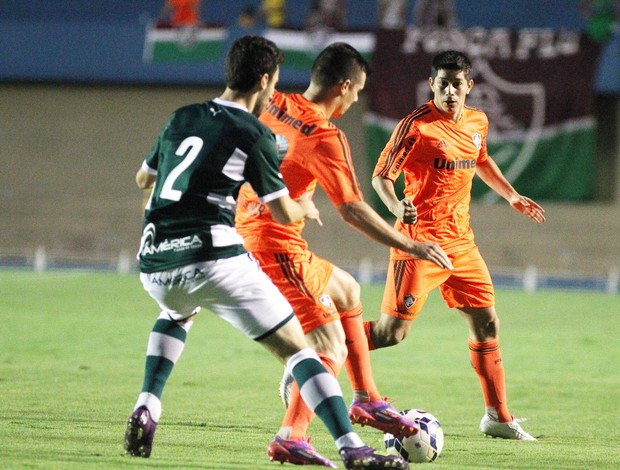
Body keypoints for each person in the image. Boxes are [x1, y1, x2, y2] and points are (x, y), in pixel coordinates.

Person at [123, 35, 409, 470]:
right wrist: (307, 206)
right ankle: (343, 446)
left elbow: (145, 179)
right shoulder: (258, 131)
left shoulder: (184, 116)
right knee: (305, 351)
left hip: (155, 259)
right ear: (263, 80)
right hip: (227, 255)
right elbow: (288, 208)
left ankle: (147, 404)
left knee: (179, 313)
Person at [235, 42, 453, 465]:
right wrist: (411, 243)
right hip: (275, 247)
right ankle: (291, 435)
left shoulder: (273, 102)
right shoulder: (324, 135)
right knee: (329, 344)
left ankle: (366, 398)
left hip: (250, 232)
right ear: (345, 86)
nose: (355, 101)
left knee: (349, 292)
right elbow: (352, 209)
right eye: (357, 93)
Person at [366, 50, 545, 441]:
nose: (449, 91)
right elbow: (382, 178)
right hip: (418, 244)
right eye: (442, 83)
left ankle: (497, 417)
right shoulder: (415, 127)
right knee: (389, 334)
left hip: (462, 244)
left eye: (456, 84)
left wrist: (511, 195)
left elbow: (481, 160)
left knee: (487, 323)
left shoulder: (478, 121)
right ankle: (313, 357)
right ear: (431, 85)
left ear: (469, 87)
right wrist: (398, 206)